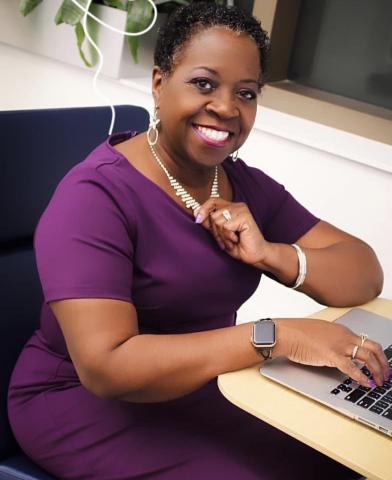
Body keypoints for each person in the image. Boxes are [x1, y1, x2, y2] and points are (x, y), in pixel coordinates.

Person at [8, 3, 388, 479]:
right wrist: (278, 335)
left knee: (341, 458)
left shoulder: (238, 184)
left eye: (245, 93)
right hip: (82, 403)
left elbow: (362, 272)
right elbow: (107, 367)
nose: (226, 108)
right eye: (204, 84)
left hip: (206, 385)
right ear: (159, 82)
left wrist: (272, 254)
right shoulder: (94, 197)